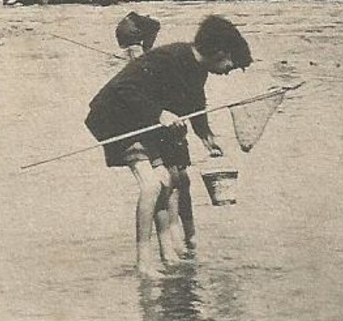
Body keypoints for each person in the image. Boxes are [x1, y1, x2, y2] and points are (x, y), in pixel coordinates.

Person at [85, 15, 251, 275]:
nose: (229, 70)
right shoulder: (170, 58)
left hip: (138, 118)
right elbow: (124, 88)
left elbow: (197, 104)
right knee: (152, 184)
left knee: (165, 179)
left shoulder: (197, 69)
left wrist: (207, 139)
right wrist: (160, 114)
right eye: (231, 64)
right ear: (220, 52)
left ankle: (167, 253)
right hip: (115, 116)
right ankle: (143, 262)